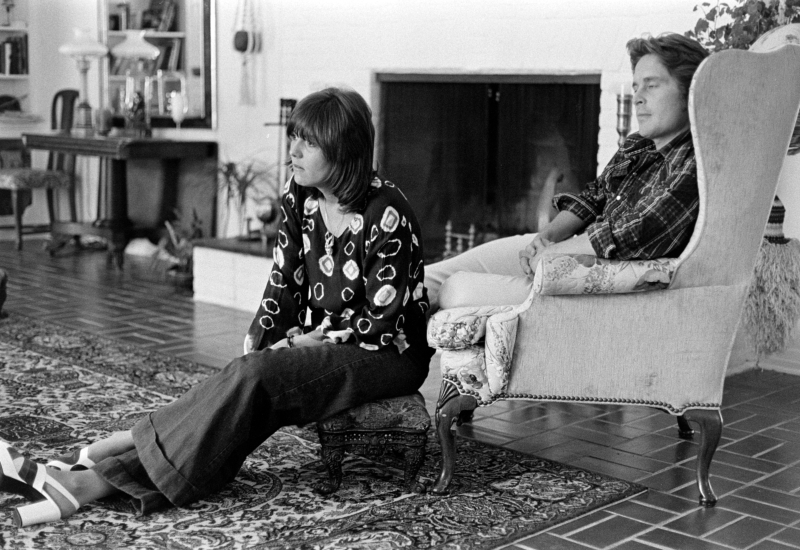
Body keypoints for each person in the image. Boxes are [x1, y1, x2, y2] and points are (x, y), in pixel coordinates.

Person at [0, 87, 434, 527]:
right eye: (294, 136)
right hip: (327, 339)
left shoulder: (387, 212)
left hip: (388, 353)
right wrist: (266, 346)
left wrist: (304, 342)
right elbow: (283, 283)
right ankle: (100, 470)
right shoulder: (300, 196)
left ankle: (95, 474)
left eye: (309, 142)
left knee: (256, 380)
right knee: (248, 375)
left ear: (345, 151)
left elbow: (382, 322)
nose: (293, 151)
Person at [426, 32, 710, 311]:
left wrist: (553, 253)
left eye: (652, 85)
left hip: (587, 284)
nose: (638, 98)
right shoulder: (637, 144)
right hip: (566, 253)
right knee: (427, 280)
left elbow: (639, 230)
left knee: (455, 290)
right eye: (636, 86)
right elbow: (593, 196)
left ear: (691, 92)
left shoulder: (697, 163)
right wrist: (545, 238)